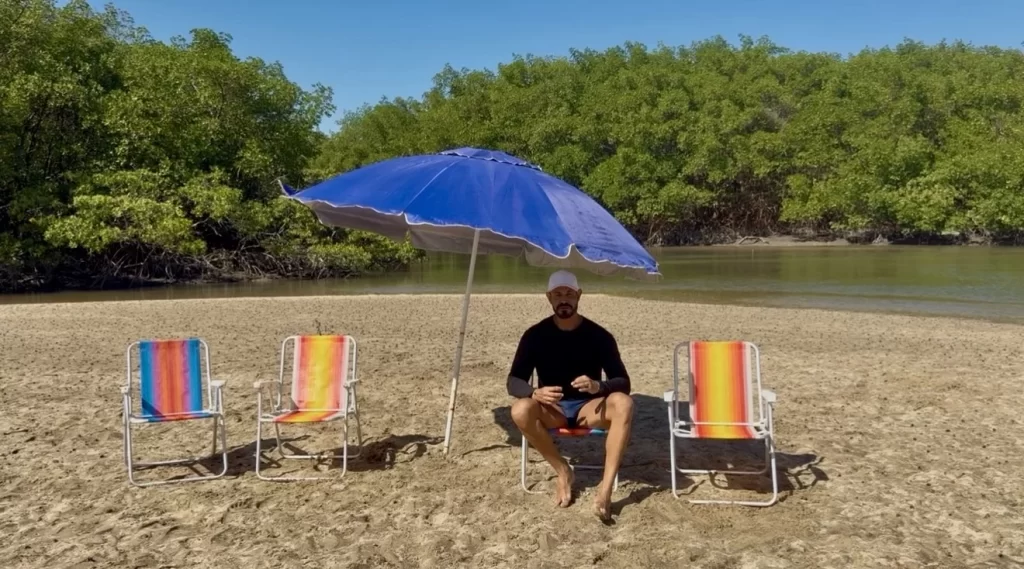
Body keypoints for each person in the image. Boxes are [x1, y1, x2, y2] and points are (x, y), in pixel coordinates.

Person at [506, 269, 634, 521]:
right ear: (548, 298)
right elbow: (513, 381)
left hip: (589, 407)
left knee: (624, 403)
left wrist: (599, 387)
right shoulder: (535, 335)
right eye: (557, 294)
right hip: (554, 410)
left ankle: (605, 489)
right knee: (520, 409)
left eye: (569, 294)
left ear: (579, 295)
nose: (563, 299)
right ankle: (563, 470)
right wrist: (534, 392)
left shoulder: (599, 336)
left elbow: (623, 382)